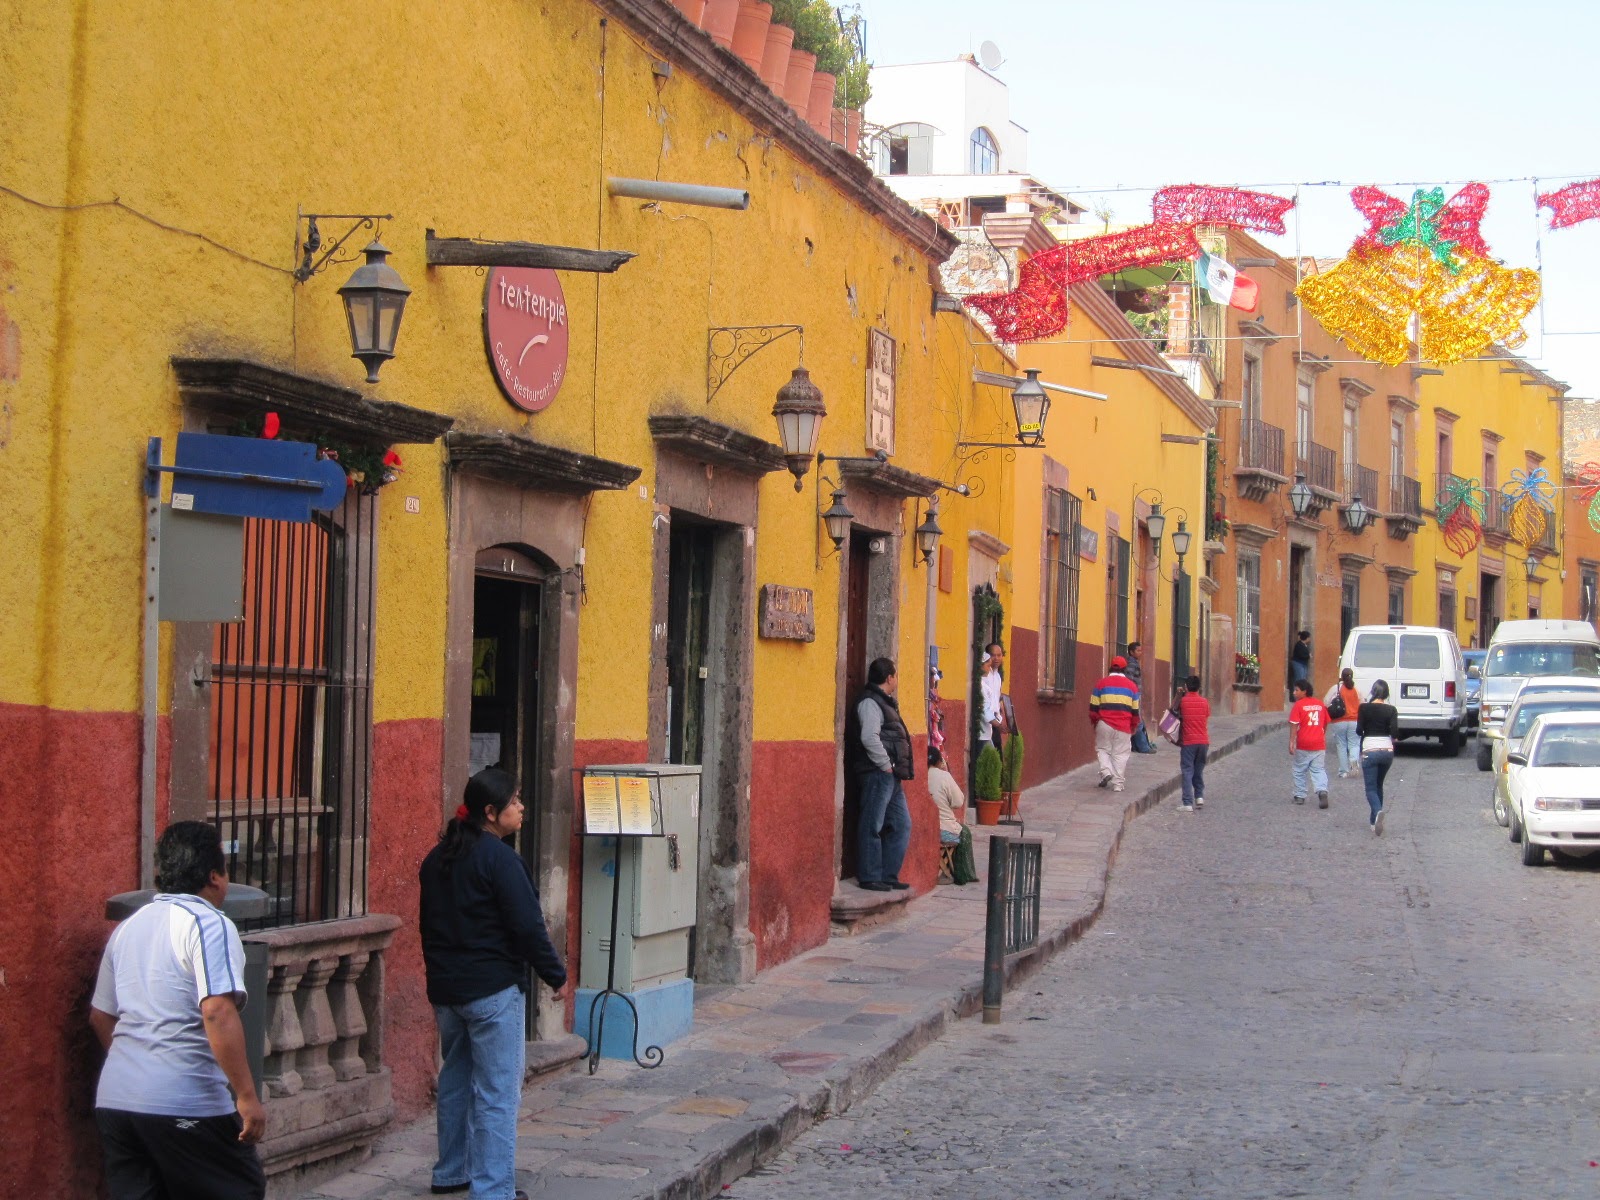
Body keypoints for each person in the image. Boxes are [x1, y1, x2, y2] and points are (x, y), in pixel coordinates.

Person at [90, 821, 267, 1200]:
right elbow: (218, 1011)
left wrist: (139, 1069)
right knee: (240, 1189)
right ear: (215, 877)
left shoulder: (127, 928)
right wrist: (247, 1096)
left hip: (117, 1102)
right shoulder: (208, 923)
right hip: (186, 1100)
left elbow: (100, 1016)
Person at [421, 768, 567, 1200]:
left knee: (456, 1081)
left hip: (448, 994)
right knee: (497, 1093)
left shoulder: (437, 858)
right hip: (491, 992)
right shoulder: (501, 860)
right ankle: (493, 1189)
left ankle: (450, 1172)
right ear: (490, 812)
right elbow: (528, 926)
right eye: (515, 801)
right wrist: (554, 975)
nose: (522, 808)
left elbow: (428, 926)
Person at [847, 657, 914, 892]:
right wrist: (885, 764)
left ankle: (888, 874)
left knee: (901, 824)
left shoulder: (884, 701)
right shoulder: (870, 703)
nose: (896, 679)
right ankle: (870, 876)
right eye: (895, 675)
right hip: (877, 772)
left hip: (890, 775)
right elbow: (869, 737)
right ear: (889, 678)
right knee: (872, 824)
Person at [1089, 655, 1140, 792]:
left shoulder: (1101, 684)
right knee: (1120, 754)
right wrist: (1134, 725)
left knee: (1103, 749)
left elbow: (1093, 708)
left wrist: (1095, 722)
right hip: (1124, 725)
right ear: (1124, 669)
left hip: (1104, 723)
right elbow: (1135, 711)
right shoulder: (1132, 687)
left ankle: (1106, 772)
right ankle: (1118, 784)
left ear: (1110, 667)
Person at [1357, 679, 1400, 836]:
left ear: (1373, 692)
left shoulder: (1364, 708)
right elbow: (1395, 733)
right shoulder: (1391, 710)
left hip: (1370, 748)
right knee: (1379, 785)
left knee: (1370, 788)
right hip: (1387, 751)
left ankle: (1377, 811)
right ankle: (1373, 823)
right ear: (1386, 694)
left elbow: (1358, 730)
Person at [1288, 677, 1330, 808]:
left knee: (1299, 769)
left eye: (1296, 690)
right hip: (1319, 743)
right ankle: (1322, 790)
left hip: (1304, 743)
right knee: (1318, 770)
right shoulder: (1320, 704)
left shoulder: (1299, 705)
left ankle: (1300, 795)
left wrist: (1291, 742)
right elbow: (1325, 723)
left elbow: (1294, 724)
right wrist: (1322, 736)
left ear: (1304, 691)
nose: (1294, 693)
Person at [1177, 675, 1211, 812]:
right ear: (1199, 688)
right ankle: (1199, 797)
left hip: (1189, 741)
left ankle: (1187, 802)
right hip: (1203, 741)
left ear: (1186, 687)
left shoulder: (1183, 702)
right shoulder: (1204, 702)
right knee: (1198, 770)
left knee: (1187, 770)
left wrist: (1179, 695)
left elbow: (1173, 710)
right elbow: (1206, 716)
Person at [1325, 667, 1362, 778]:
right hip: (1354, 720)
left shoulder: (1336, 688)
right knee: (1354, 744)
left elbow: (1326, 701)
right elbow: (1362, 702)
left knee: (1341, 745)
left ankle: (1343, 771)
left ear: (1341, 676)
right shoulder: (1356, 689)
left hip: (1339, 720)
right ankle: (1353, 761)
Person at [926, 745, 966, 843]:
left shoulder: (917, 776)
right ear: (939, 761)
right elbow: (958, 802)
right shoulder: (944, 776)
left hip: (923, 830)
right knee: (966, 834)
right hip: (944, 830)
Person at [1127, 642, 1159, 754]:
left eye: (1141, 650)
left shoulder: (1134, 663)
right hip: (1133, 696)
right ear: (1131, 652)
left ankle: (1137, 745)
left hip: (1135, 695)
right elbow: (1129, 680)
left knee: (1138, 721)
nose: (1140, 653)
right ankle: (1143, 747)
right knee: (1138, 721)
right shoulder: (1131, 664)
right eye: (1138, 651)